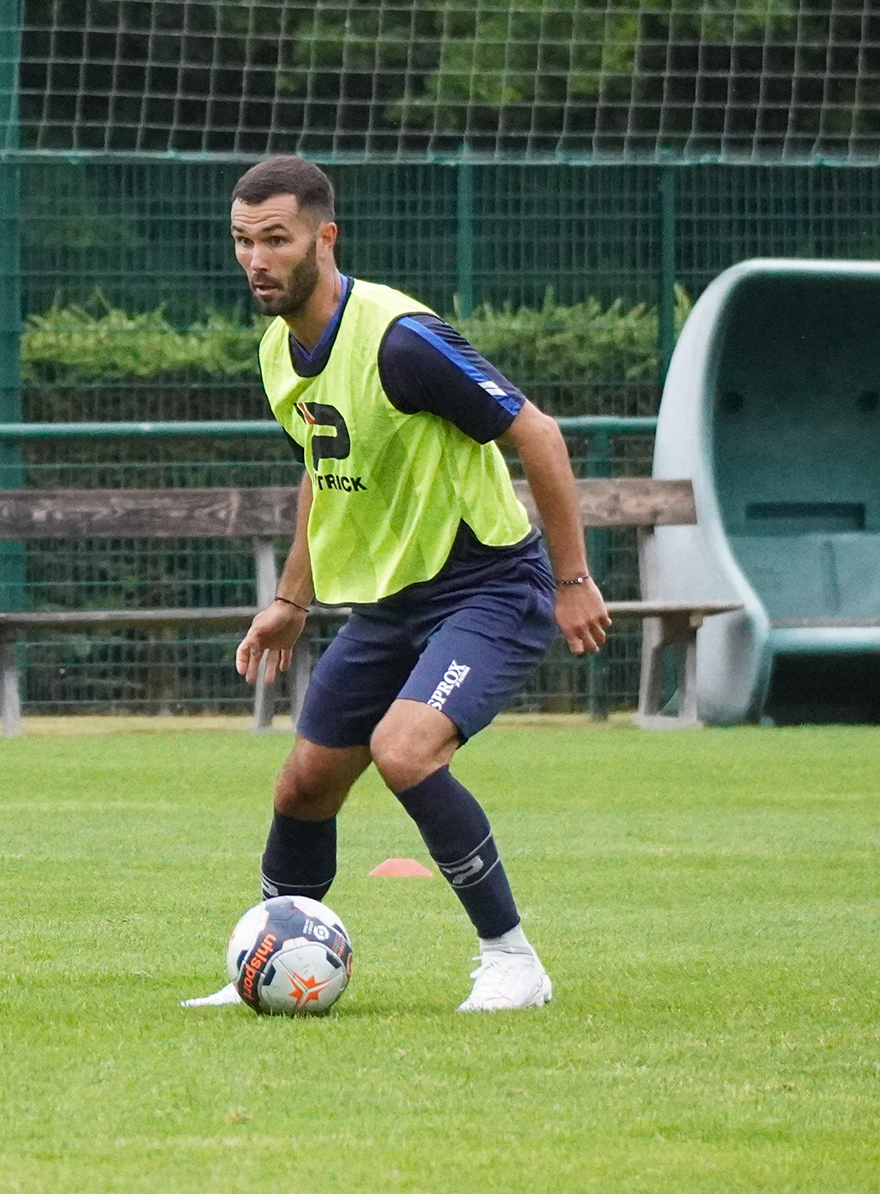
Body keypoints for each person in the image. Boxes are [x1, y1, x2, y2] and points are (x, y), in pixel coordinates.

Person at [182, 156, 611, 1013]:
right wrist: (291, 601)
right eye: (243, 242)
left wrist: (573, 579)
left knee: (404, 750)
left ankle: (513, 961)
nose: (258, 260)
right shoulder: (279, 349)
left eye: (277, 239)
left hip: (487, 584)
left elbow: (543, 437)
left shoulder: (398, 339)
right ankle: (272, 959)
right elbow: (320, 460)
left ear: (324, 237)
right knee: (303, 783)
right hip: (389, 603)